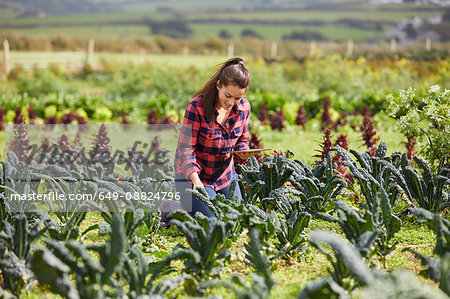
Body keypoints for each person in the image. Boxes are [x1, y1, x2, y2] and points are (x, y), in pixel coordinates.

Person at [173, 57, 260, 218]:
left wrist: (243, 153)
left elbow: (242, 140)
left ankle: (192, 207)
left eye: (237, 98)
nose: (231, 102)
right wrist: (195, 181)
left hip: (224, 176)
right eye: (227, 95)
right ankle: (175, 208)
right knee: (213, 222)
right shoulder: (196, 107)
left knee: (236, 218)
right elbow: (186, 150)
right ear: (219, 85)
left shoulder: (244, 107)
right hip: (193, 178)